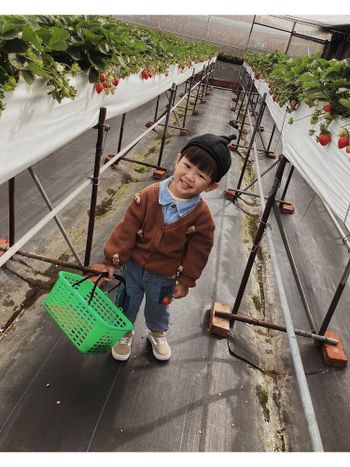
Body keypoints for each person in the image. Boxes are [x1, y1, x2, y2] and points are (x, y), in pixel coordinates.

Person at [94, 133, 235, 362]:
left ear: (211, 186)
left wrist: (186, 280)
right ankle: (124, 330)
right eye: (187, 166)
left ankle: (157, 333)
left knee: (159, 306)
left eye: (200, 175)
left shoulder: (202, 218)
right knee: (126, 300)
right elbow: (127, 228)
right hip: (133, 268)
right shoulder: (148, 196)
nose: (189, 177)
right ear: (178, 159)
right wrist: (112, 259)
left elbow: (198, 252)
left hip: (164, 276)